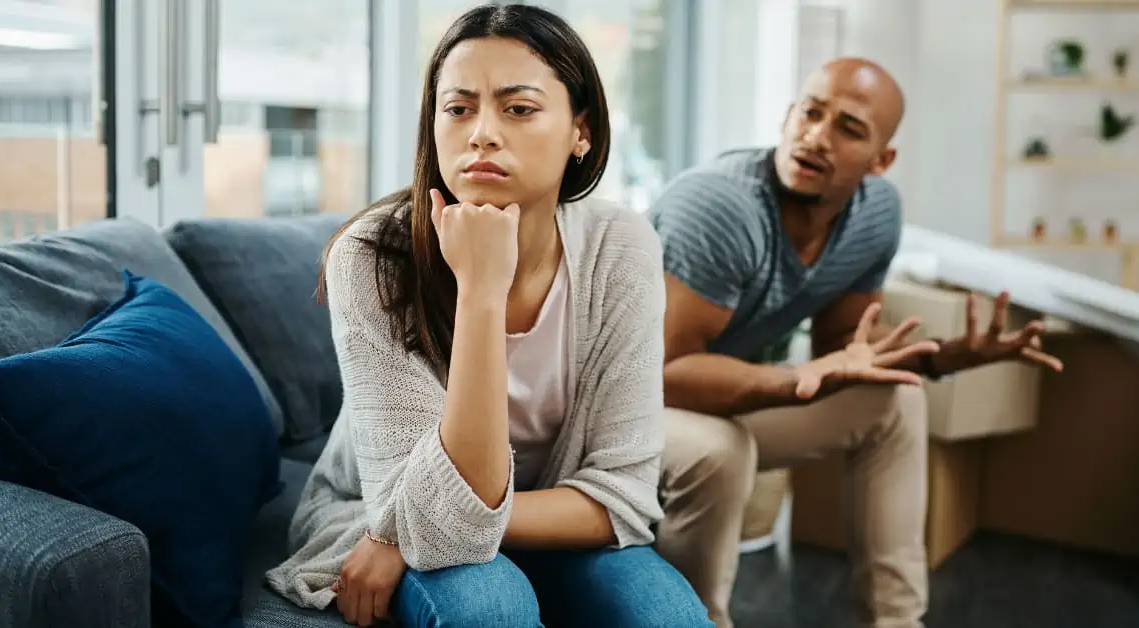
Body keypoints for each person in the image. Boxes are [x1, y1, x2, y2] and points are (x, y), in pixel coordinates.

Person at [264, 4, 712, 627]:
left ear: (580, 130)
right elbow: (405, 514)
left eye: (519, 108)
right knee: (488, 608)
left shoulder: (621, 246)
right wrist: (480, 290)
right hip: (375, 519)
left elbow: (624, 499)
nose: (482, 133)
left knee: (668, 618)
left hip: (530, 526)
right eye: (458, 108)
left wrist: (466, 518)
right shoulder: (370, 257)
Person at [648, 57, 1064, 628]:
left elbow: (849, 349)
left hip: (714, 397)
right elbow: (664, 375)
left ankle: (896, 622)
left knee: (896, 399)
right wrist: (794, 381)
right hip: (617, 415)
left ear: (880, 161)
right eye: (810, 113)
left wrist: (942, 359)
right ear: (788, 116)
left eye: (848, 128)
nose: (817, 137)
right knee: (723, 448)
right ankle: (699, 621)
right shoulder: (720, 208)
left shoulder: (875, 216)